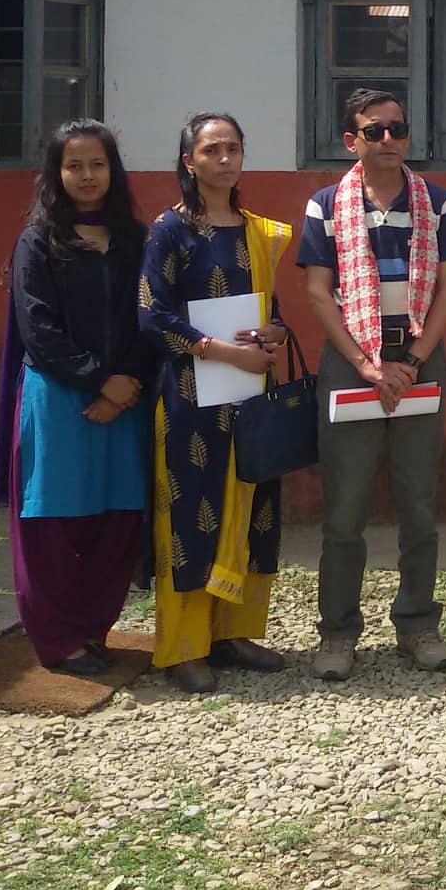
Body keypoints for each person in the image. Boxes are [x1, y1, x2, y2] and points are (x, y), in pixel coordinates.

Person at [300, 89, 446, 681]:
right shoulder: (326, 206)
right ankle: (338, 632)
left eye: (398, 129)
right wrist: (367, 364)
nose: (390, 140)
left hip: (421, 358)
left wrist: (414, 360)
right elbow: (320, 292)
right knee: (344, 508)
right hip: (351, 364)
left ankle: (418, 624)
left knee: (418, 504)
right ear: (353, 141)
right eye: (375, 132)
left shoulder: (440, 204)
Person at [0, 120, 156, 675]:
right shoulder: (38, 241)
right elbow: (38, 329)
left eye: (97, 164)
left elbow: (150, 320)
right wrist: (97, 380)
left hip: (125, 401)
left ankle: (94, 626)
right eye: (74, 165)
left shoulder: (137, 239)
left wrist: (127, 380)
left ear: (113, 170)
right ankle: (59, 638)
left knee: (117, 518)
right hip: (58, 397)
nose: (87, 175)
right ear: (56, 173)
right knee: (54, 523)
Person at [138, 113, 292, 694]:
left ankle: (234, 633)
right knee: (190, 515)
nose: (225, 159)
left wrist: (274, 333)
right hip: (190, 397)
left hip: (250, 392)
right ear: (189, 162)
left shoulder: (257, 231)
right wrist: (220, 351)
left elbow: (268, 309)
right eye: (211, 150)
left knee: (254, 510)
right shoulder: (169, 231)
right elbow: (152, 316)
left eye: (233, 149)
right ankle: (185, 647)